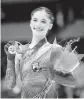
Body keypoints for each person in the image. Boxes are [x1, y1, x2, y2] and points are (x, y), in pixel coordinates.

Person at [4, 7, 81, 98]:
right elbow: (10, 85)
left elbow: (71, 82)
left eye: (43, 21)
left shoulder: (55, 49)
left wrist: (49, 72)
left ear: (50, 26)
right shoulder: (21, 52)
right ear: (30, 23)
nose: (38, 24)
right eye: (35, 20)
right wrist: (10, 58)